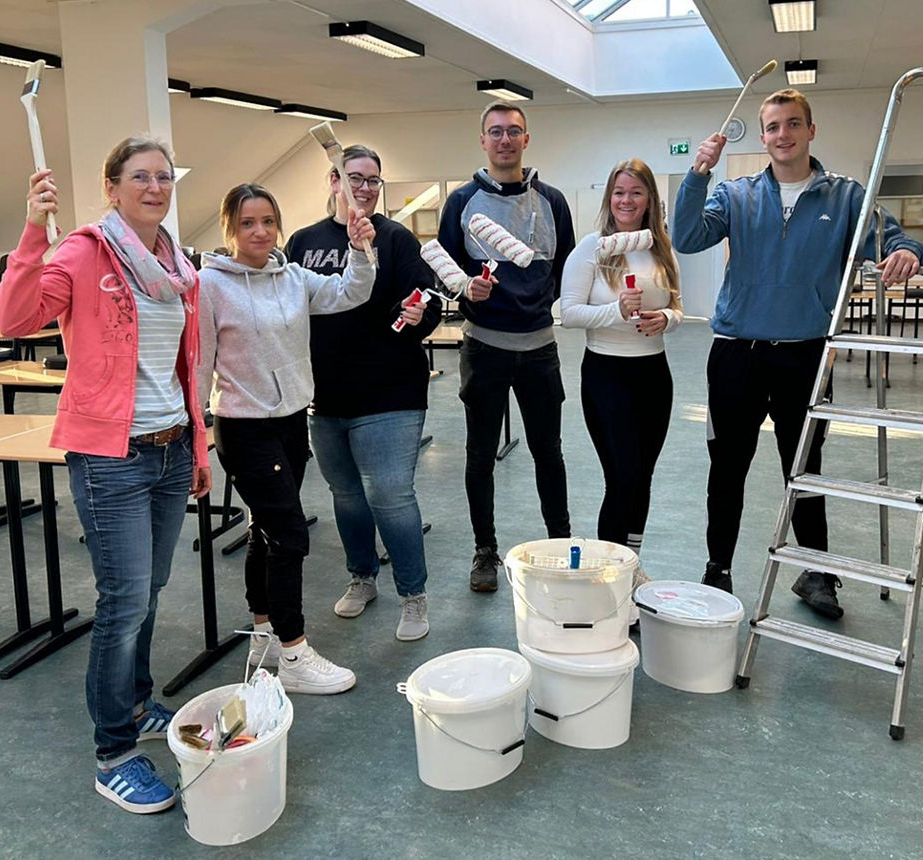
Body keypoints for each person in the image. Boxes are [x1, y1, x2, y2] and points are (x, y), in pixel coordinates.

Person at [0, 136, 212, 815]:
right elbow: (15, 319)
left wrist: (198, 450)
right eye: (140, 177)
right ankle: (113, 752)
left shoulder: (177, 264)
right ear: (112, 188)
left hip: (171, 448)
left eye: (164, 177)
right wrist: (32, 230)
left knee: (150, 588)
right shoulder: (83, 252)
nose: (155, 187)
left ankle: (137, 703)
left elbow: (184, 367)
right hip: (110, 457)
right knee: (124, 600)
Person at [672, 88, 923, 620]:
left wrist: (906, 250)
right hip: (737, 354)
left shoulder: (845, 196)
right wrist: (697, 174)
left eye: (792, 123)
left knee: (805, 468)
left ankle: (816, 572)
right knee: (727, 467)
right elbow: (688, 237)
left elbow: (893, 238)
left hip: (807, 355)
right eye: (772, 126)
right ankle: (718, 568)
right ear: (762, 136)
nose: (782, 134)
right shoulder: (736, 194)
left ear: (811, 130)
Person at [196, 182, 375, 693]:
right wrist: (194, 438)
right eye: (247, 223)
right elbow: (199, 364)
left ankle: (265, 635)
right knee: (291, 534)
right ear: (229, 228)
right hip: (243, 425)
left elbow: (351, 292)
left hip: (292, 421)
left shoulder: (293, 277)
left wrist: (360, 250)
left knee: (266, 531)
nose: (260, 232)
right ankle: (294, 655)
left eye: (268, 221)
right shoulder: (209, 285)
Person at [285, 145, 442, 641]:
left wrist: (420, 315)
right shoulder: (304, 242)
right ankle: (362, 577)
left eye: (374, 180)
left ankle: (413, 595)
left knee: (390, 497)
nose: (365, 188)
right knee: (348, 497)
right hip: (325, 396)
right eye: (355, 178)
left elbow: (428, 300)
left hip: (390, 393)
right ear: (335, 181)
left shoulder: (395, 238)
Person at [438, 100, 575, 592]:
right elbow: (446, 271)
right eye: (495, 131)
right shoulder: (461, 202)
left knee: (548, 452)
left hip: (539, 349)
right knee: (480, 454)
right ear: (483, 141)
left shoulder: (552, 201)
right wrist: (465, 290)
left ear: (526, 139)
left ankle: (562, 543)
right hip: (484, 349)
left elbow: (566, 269)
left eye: (513, 131)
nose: (504, 139)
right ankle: (484, 551)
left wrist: (537, 302)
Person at [560, 157, 683, 583]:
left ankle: (631, 564)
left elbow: (678, 307)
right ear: (609, 198)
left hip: (654, 374)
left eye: (635, 192)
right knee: (622, 477)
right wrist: (616, 311)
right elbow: (569, 313)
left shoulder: (660, 249)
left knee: (642, 476)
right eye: (618, 192)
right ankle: (609, 574)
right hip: (606, 374)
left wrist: (665, 318)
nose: (626, 201)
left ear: (649, 198)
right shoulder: (591, 248)